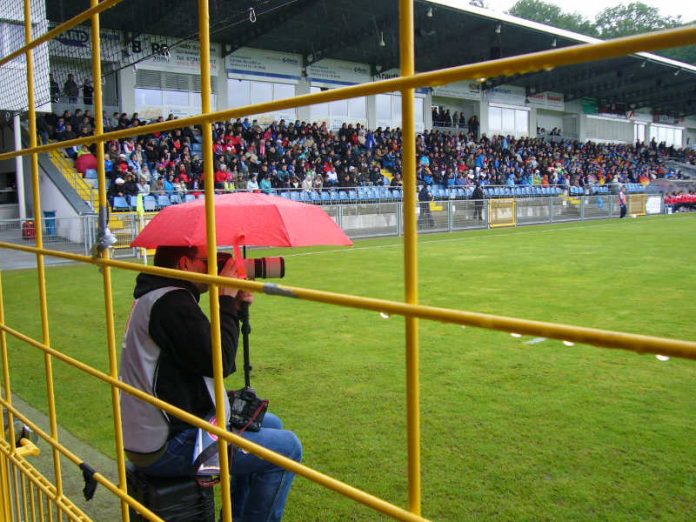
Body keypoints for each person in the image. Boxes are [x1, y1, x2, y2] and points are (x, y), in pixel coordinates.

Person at [120, 246, 302, 521]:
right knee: (287, 448)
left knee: (271, 424)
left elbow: (201, 356)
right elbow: (220, 363)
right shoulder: (171, 303)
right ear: (184, 264)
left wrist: (234, 308)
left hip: (157, 430)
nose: (216, 268)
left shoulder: (160, 295)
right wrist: (226, 300)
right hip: (164, 445)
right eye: (208, 262)